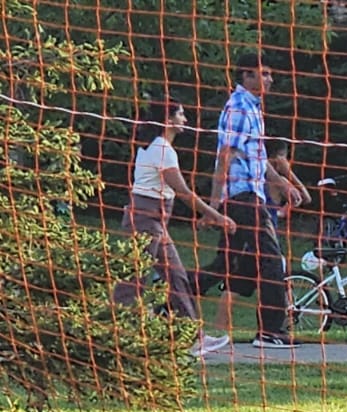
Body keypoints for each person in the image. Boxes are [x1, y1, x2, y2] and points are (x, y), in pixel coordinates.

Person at [195, 49, 309, 349]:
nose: (270, 79)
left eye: (271, 74)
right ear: (247, 76)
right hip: (243, 199)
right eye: (265, 73)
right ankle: (270, 332)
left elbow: (257, 158)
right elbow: (225, 157)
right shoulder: (239, 108)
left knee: (227, 264)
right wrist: (215, 207)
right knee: (272, 260)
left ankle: (168, 300)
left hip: (251, 195)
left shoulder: (254, 108)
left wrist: (282, 183)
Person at [119, 96, 235, 358]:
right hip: (145, 220)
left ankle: (194, 338)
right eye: (181, 114)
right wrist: (216, 215)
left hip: (156, 221)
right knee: (132, 282)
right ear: (168, 119)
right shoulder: (161, 148)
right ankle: (113, 333)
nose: (185, 120)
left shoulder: (159, 146)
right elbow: (182, 191)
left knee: (177, 277)